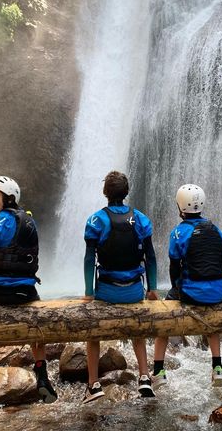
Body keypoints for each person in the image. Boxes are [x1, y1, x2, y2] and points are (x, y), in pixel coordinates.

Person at [0, 175, 58, 406]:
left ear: (9, 198)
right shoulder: (29, 221)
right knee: (37, 328)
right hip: (26, 292)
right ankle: (43, 378)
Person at [82, 170, 159, 403]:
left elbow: (88, 259)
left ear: (105, 193)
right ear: (126, 192)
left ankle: (93, 384)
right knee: (138, 331)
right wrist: (152, 288)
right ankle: (145, 376)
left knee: (93, 333)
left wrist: (89, 293)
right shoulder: (142, 219)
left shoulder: (96, 220)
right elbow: (151, 257)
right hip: (134, 290)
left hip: (106, 291)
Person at [152, 184, 222, 389]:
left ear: (180, 206)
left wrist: (175, 291)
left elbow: (173, 266)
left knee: (163, 319)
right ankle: (217, 367)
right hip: (220, 292)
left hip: (191, 292)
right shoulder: (215, 228)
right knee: (213, 321)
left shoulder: (179, 232)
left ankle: (158, 371)